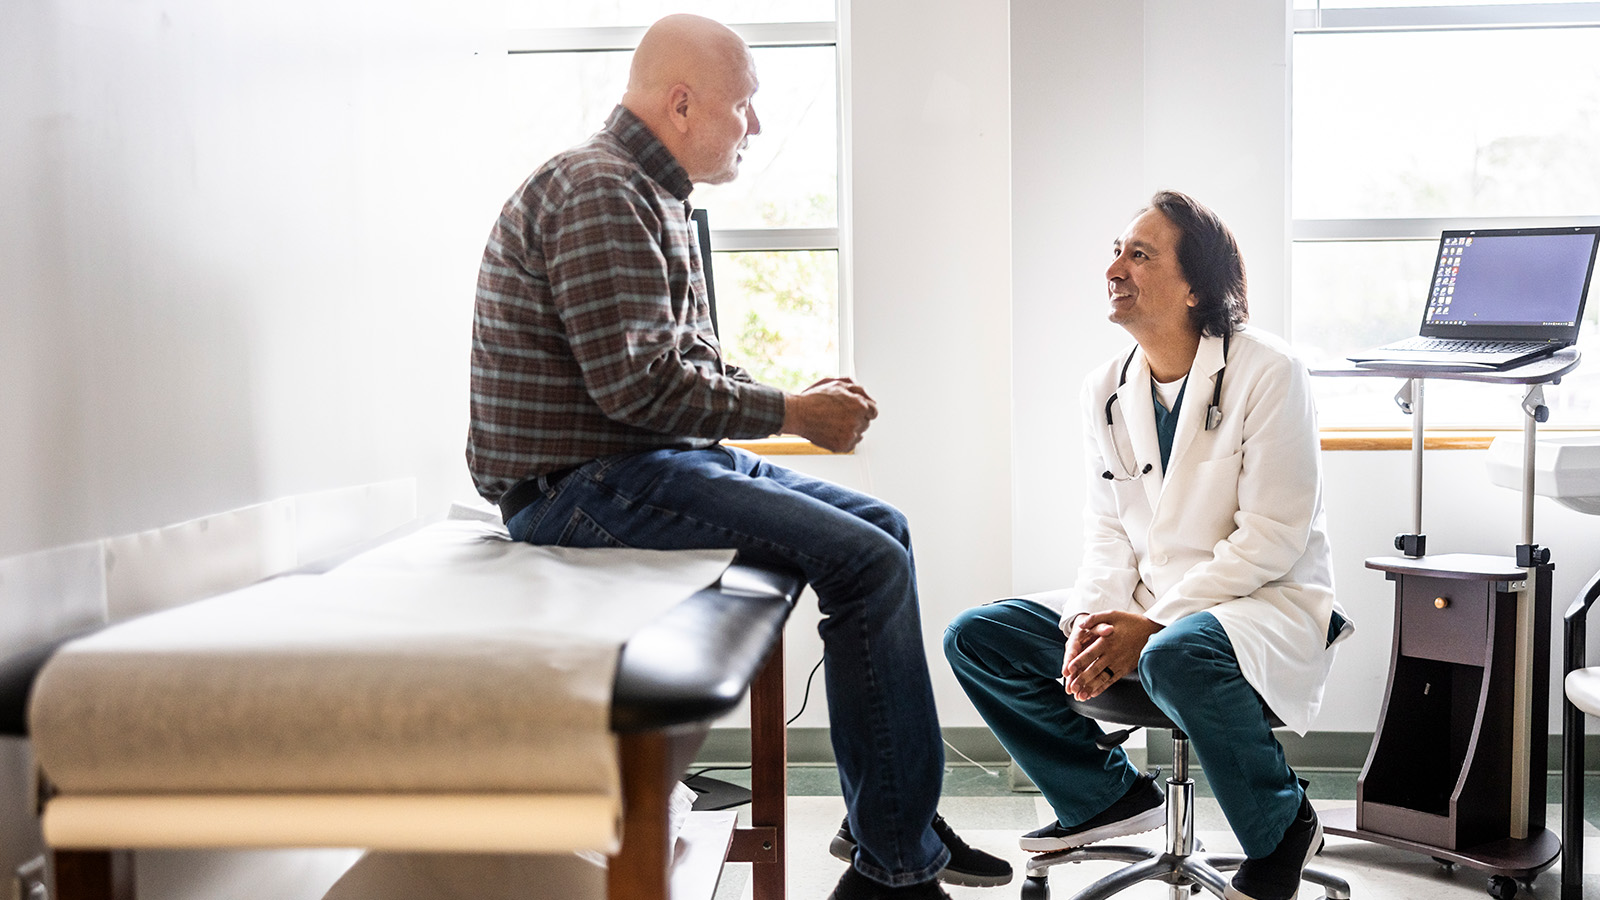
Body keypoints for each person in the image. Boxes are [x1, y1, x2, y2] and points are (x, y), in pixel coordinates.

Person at [465, 14, 1009, 900]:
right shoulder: (601, 190)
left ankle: (890, 815)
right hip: (576, 489)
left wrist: (794, 397)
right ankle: (896, 870)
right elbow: (640, 390)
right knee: (866, 561)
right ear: (682, 105)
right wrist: (795, 413)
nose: (754, 126)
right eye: (745, 105)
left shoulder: (656, 196)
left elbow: (686, 365)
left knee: (884, 528)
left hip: (644, 462)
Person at [944, 191, 1353, 900]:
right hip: (1150, 605)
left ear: (1196, 286)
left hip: (1256, 603)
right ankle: (1103, 796)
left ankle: (1282, 824)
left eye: (1139, 254)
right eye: (1115, 251)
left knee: (1173, 651)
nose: (1115, 268)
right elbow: (1106, 528)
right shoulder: (1106, 388)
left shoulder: (1269, 372)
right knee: (978, 636)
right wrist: (1089, 622)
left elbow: (1273, 538)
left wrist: (1151, 626)